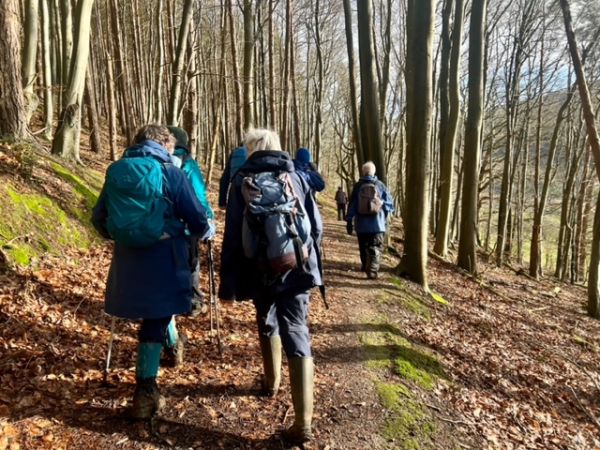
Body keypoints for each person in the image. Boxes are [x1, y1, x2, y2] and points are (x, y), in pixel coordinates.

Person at [92, 124, 213, 419]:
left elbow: (98, 219)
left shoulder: (116, 171)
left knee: (155, 313)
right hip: (164, 256)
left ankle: (173, 346)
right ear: (164, 145)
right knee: (156, 316)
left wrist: (125, 236)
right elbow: (196, 218)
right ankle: (145, 392)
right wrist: (203, 230)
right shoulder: (170, 173)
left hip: (128, 258)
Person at [219, 128, 323, 445]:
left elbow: (234, 236)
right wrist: (311, 264)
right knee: (297, 329)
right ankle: (303, 422)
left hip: (259, 268)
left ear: (251, 150)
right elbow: (316, 227)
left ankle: (271, 381)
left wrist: (229, 282)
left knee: (267, 320)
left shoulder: (241, 182)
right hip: (297, 265)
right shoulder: (298, 178)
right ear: (278, 148)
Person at [168, 125, 214, 316]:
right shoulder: (188, 163)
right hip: (186, 225)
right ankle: (192, 302)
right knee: (191, 262)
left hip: (163, 224)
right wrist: (207, 219)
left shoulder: (157, 162)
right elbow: (198, 195)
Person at [346, 161, 394, 280]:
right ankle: (372, 270)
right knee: (376, 246)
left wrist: (349, 220)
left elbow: (352, 205)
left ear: (363, 172)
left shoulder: (358, 186)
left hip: (361, 225)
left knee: (363, 246)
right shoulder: (380, 185)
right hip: (377, 224)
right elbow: (390, 204)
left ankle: (365, 265)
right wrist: (385, 211)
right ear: (374, 172)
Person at [218, 144, 248, 208]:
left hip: (235, 193)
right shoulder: (260, 153)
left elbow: (224, 179)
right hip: (256, 196)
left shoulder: (235, 153)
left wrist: (222, 202)